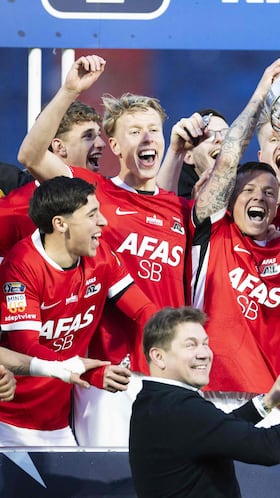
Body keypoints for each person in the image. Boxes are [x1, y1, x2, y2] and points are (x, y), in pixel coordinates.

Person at [17, 54, 193, 447]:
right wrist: (69, 91)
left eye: (154, 130)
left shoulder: (180, 208)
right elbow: (30, 156)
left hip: (168, 374)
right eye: (135, 132)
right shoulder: (92, 191)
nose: (148, 138)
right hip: (108, 375)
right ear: (112, 144)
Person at [0, 175, 156, 446]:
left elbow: (143, 309)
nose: (103, 222)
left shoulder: (100, 255)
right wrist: (92, 373)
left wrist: (178, 335)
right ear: (60, 224)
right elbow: (26, 348)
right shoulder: (21, 266)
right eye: (92, 214)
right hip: (8, 420)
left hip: (57, 422)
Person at [188, 59, 280, 424]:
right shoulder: (214, 231)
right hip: (209, 394)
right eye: (249, 191)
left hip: (271, 401)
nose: (259, 198)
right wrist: (261, 92)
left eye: (270, 192)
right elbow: (227, 163)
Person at [129, 306, 280, 498]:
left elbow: (216, 430)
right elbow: (266, 448)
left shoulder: (152, 400)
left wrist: (268, 401)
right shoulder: (182, 408)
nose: (204, 354)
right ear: (158, 356)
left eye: (205, 344)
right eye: (190, 345)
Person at [157, 108, 229, 199]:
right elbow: (159, 206)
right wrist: (176, 152)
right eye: (208, 135)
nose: (220, 139)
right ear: (188, 156)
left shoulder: (247, 182)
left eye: (226, 134)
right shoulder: (180, 202)